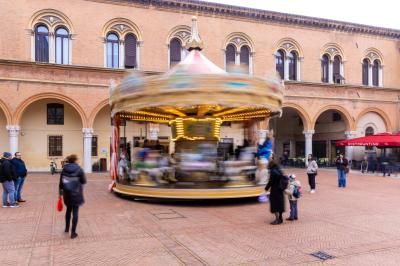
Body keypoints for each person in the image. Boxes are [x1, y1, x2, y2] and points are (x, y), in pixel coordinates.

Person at [59, 154, 87, 239]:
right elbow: (84, 181)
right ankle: (73, 233)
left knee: (68, 210)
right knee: (75, 212)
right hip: (76, 193)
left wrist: (60, 194)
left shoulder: (64, 169)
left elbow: (61, 183)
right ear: (75, 160)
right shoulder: (79, 169)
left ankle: (67, 228)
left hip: (67, 193)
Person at [265, 155, 285, 225]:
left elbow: (271, 181)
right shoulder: (278, 169)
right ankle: (280, 218)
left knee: (275, 204)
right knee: (280, 204)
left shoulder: (273, 171)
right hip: (280, 189)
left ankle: (277, 219)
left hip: (275, 190)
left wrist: (266, 188)